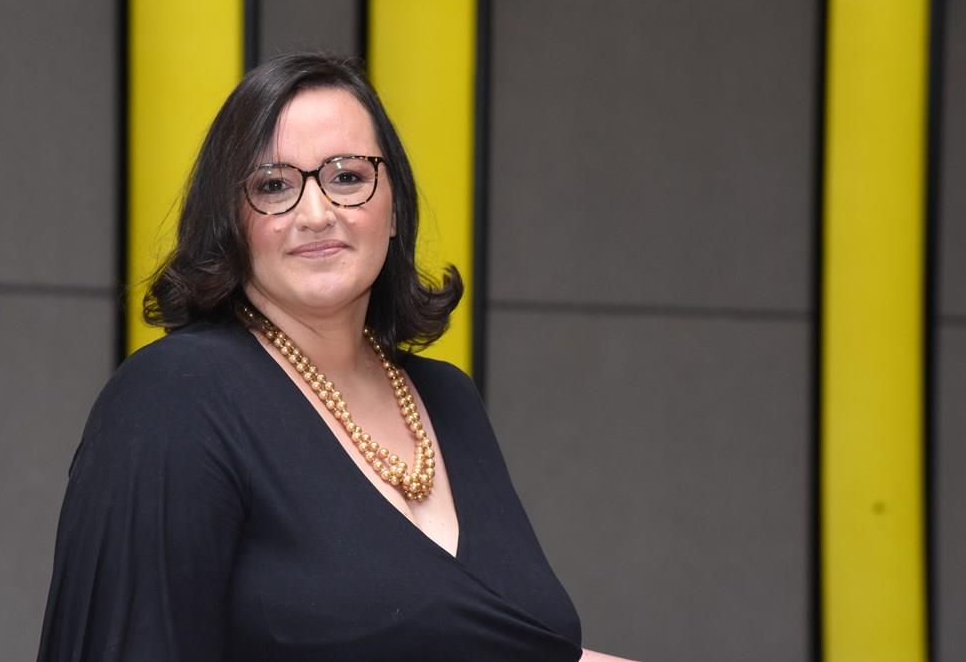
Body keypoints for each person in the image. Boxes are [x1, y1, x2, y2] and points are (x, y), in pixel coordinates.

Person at [36, 53, 636, 662]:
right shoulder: (174, 398)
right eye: (274, 186)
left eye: (347, 177)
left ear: (394, 209)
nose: (317, 214)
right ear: (229, 222)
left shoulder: (448, 398)